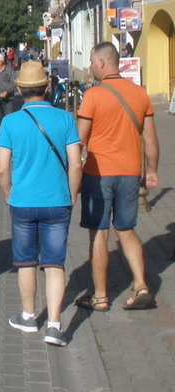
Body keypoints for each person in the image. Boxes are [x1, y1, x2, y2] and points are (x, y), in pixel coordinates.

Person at [0, 61, 82, 346]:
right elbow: (76, 165)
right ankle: (55, 326)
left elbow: (1, 168)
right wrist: (71, 195)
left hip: (22, 202)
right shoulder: (66, 119)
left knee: (26, 262)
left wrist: (9, 194)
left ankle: (29, 316)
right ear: (47, 87)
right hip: (57, 201)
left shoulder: (10, 122)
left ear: (20, 89)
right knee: (54, 264)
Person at [74, 42, 160, 312]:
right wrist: (153, 171)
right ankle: (141, 284)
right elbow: (151, 139)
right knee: (126, 229)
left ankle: (99, 296)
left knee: (98, 233)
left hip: (98, 175)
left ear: (101, 63)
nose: (90, 66)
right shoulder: (140, 94)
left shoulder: (93, 97)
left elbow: (79, 140)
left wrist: (72, 175)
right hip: (130, 173)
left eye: (91, 61)